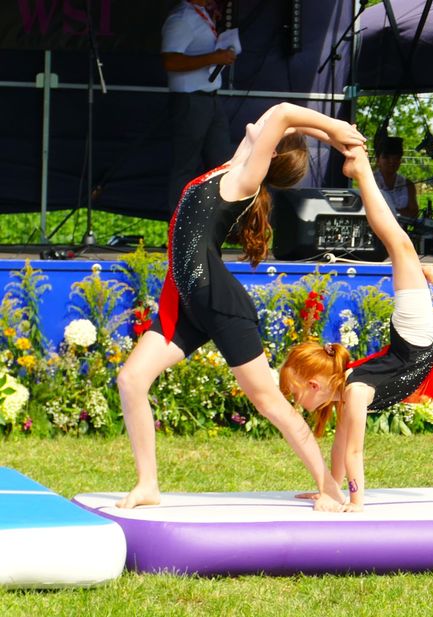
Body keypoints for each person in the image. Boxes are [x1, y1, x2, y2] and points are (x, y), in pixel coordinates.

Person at [116, 102, 366, 511]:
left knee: (269, 403)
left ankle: (330, 488)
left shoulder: (245, 179)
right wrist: (331, 137)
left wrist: (334, 126)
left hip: (219, 301)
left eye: (270, 132)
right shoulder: (232, 167)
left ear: (270, 150)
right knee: (131, 380)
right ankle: (148, 484)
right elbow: (277, 118)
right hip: (186, 302)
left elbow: (282, 113)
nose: (259, 122)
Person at [280, 145, 433, 513]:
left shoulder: (354, 391)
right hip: (426, 341)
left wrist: (355, 501)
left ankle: (362, 170)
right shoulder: (345, 394)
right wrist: (331, 491)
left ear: (313, 385)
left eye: (294, 395)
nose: (295, 404)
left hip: (416, 333)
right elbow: (341, 447)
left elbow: (355, 452)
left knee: (399, 244)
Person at [161, 0, 237, 214]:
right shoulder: (181, 18)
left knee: (222, 164)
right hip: (190, 99)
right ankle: (178, 226)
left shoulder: (201, 13)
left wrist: (220, 54)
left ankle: (218, 223)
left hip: (210, 97)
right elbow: (171, 61)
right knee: (186, 166)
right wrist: (214, 57)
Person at [373, 136, 419, 218]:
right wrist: (401, 211)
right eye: (386, 157)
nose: (392, 161)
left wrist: (387, 212)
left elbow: (414, 212)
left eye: (396, 158)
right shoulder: (370, 181)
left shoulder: (408, 184)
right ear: (378, 160)